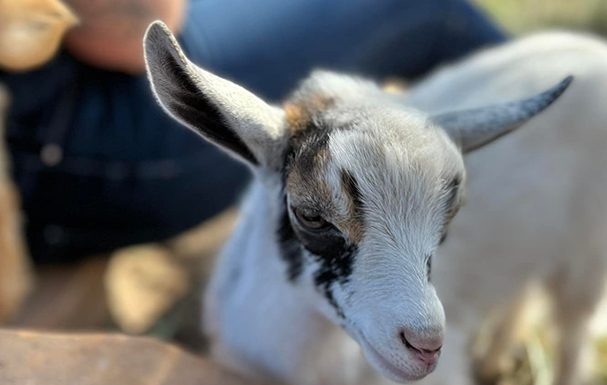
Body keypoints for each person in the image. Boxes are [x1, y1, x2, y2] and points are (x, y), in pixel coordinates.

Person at [0, 0, 505, 262]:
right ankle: (566, 130)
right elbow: (140, 27)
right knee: (428, 9)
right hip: (66, 131)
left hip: (46, 119)